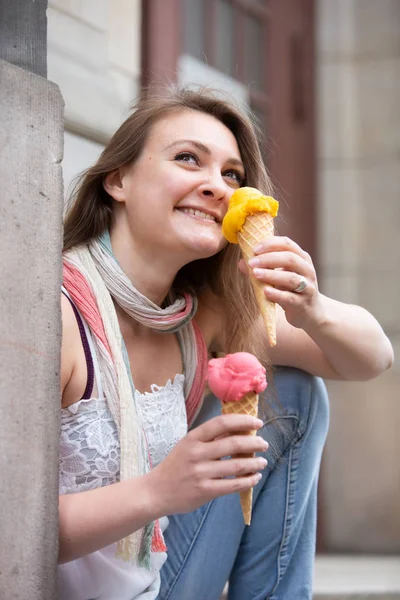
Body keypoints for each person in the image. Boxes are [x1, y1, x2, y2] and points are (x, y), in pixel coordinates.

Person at [59, 86, 393, 600]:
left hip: (156, 580)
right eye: (188, 159)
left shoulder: (201, 316)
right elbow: (12, 526)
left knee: (297, 394)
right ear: (118, 179)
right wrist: (157, 491)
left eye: (231, 174)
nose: (216, 186)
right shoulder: (52, 312)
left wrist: (313, 307)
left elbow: (372, 358)